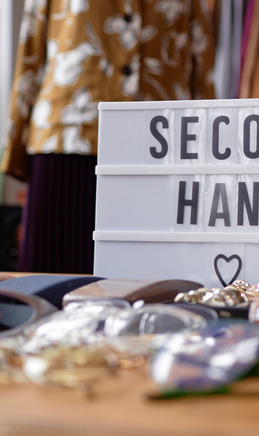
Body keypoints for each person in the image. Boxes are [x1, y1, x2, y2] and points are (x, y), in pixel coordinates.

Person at [3, 0, 216, 273]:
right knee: (51, 287)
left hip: (161, 145)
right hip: (67, 139)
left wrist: (208, 151)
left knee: (151, 289)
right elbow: (31, 49)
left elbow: (201, 59)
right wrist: (16, 143)